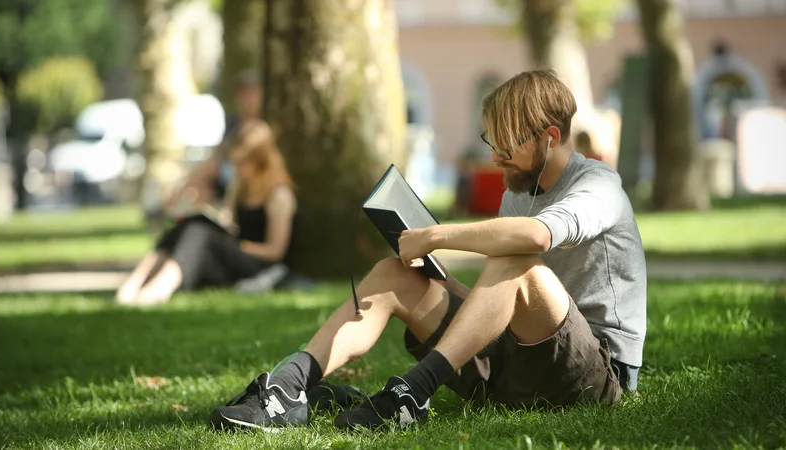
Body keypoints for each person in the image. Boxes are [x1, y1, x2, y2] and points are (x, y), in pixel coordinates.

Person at [209, 69, 647, 431]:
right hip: (513, 363)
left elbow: (534, 241)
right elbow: (499, 300)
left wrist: (435, 236)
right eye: (491, 142)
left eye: (506, 145)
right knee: (394, 275)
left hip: (595, 375)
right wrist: (433, 279)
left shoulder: (598, 186)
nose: (495, 158)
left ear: (550, 137)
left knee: (517, 257)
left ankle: (412, 394)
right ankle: (288, 389)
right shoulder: (520, 190)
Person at [115, 120, 298, 305]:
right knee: (187, 226)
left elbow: (275, 251)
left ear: (261, 161)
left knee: (200, 234)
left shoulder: (279, 195)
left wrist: (242, 246)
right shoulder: (239, 187)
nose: (239, 170)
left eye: (243, 163)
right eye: (235, 163)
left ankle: (158, 290)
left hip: (257, 266)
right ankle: (134, 284)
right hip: (232, 256)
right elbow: (228, 222)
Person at [165, 71, 265, 211]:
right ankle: (180, 211)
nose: (245, 99)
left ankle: (174, 201)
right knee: (200, 190)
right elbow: (219, 153)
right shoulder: (233, 123)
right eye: (242, 93)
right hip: (227, 175)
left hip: (248, 178)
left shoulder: (264, 125)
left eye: (250, 93)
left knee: (211, 170)